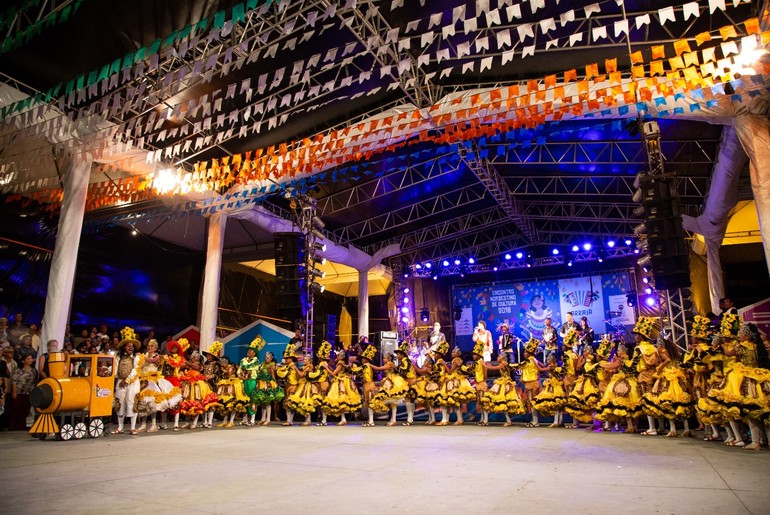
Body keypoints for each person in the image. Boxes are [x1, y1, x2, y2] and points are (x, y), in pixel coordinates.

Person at [136, 338, 182, 432]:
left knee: (153, 402)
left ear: (156, 348)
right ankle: (143, 424)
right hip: (144, 380)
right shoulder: (145, 355)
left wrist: (142, 357)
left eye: (152, 346)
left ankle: (153, 424)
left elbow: (152, 360)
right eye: (148, 346)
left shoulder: (157, 356)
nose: (150, 347)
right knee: (143, 401)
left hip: (153, 380)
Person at [320, 349, 363, 426]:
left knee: (339, 400)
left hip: (341, 382)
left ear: (342, 357)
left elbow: (333, 373)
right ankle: (343, 419)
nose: (337, 356)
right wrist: (329, 366)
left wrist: (326, 367)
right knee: (341, 402)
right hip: (342, 380)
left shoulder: (340, 363)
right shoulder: (342, 363)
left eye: (338, 355)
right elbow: (335, 371)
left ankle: (342, 419)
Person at [112, 328, 142, 435]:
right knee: (120, 403)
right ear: (124, 347)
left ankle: (133, 427)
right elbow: (115, 368)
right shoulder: (118, 357)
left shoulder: (137, 357)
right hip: (120, 382)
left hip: (133, 383)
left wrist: (127, 380)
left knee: (132, 402)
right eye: (128, 346)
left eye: (132, 346)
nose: (130, 348)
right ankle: (120, 427)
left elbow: (136, 370)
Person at [10, 354, 37, 430]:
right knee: (16, 409)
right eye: (28, 359)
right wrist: (14, 392)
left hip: (29, 392)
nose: (30, 360)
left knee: (25, 410)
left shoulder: (33, 370)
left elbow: (35, 381)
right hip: (19, 392)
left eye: (31, 358)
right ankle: (13, 426)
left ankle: (22, 425)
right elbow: (14, 381)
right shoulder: (18, 370)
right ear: (23, 361)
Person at [238, 341, 261, 426]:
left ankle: (252, 419)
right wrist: (239, 374)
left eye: (251, 350)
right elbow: (239, 369)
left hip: (251, 381)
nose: (249, 352)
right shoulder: (243, 360)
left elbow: (250, 367)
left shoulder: (256, 361)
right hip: (244, 381)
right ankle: (244, 419)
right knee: (244, 399)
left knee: (252, 399)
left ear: (254, 353)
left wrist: (243, 369)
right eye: (248, 350)